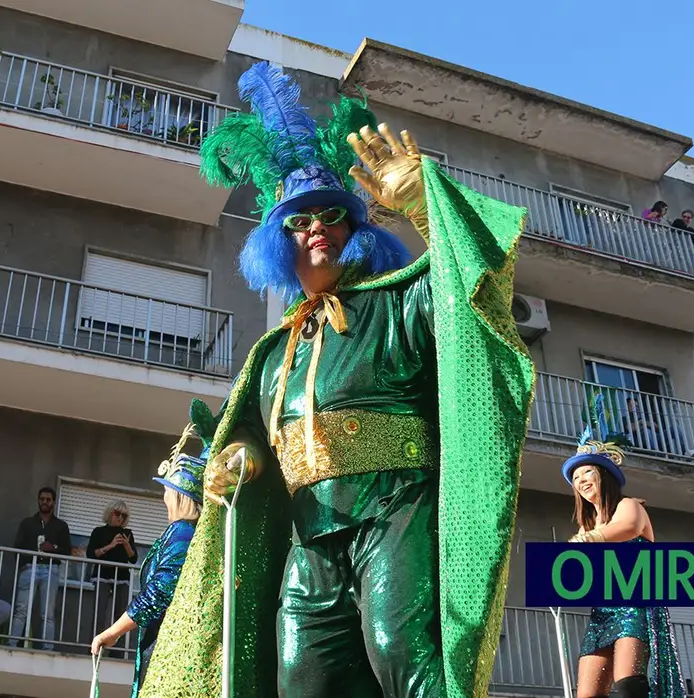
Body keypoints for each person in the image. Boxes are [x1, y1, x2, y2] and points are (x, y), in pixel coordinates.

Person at [140, 63, 536, 698]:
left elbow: (470, 294)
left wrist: (426, 208)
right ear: (278, 242)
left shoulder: (398, 302)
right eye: (299, 221)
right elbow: (249, 432)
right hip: (309, 532)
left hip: (394, 510)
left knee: (400, 650)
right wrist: (238, 455)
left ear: (356, 230)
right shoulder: (272, 353)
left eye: (330, 214)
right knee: (301, 677)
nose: (316, 226)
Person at [562, 417, 685, 698]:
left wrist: (587, 540)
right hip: (603, 609)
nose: (581, 482)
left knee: (628, 684)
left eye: (586, 473)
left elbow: (625, 528)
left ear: (603, 475)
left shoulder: (630, 506)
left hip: (633, 602)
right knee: (587, 693)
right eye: (576, 478)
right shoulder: (588, 524)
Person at [92, 414, 211, 698]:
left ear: (177, 495)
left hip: (168, 646)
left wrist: (113, 632)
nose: (163, 497)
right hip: (161, 641)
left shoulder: (182, 533)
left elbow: (159, 592)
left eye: (167, 490)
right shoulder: (177, 533)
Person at [8, 486, 72, 650]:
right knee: (21, 609)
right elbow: (17, 547)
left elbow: (67, 550)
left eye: (48, 499)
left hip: (50, 569)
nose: (44, 502)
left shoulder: (61, 526)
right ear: (38, 500)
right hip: (29, 568)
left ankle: (47, 649)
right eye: (42, 499)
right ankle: (12, 644)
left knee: (47, 613)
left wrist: (53, 548)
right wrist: (22, 566)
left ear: (53, 502)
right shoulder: (28, 523)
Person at [86, 499, 137, 658]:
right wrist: (111, 545)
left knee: (120, 616)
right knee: (99, 614)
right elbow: (91, 554)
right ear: (110, 513)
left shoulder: (127, 534)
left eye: (124, 515)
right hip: (102, 576)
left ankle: (117, 653)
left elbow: (133, 559)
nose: (120, 518)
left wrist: (127, 544)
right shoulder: (98, 532)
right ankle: (95, 650)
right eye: (117, 514)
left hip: (121, 578)